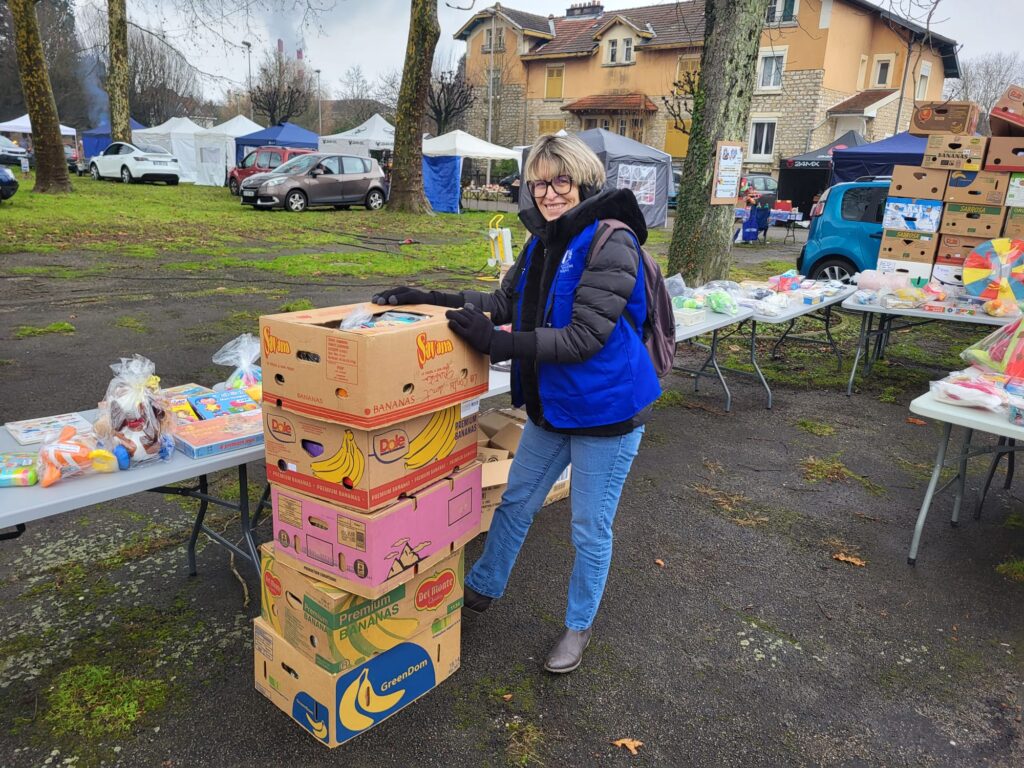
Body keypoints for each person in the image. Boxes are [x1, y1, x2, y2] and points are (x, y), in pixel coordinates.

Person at [372, 133, 660, 674]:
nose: (549, 193)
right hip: (553, 408)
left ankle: (578, 627)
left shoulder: (610, 240)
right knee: (516, 500)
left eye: (560, 181)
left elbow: (584, 337)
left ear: (584, 181)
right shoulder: (543, 242)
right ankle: (481, 589)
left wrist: (500, 343)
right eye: (539, 183)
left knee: (588, 529)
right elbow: (505, 302)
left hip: (608, 414)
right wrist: (430, 297)